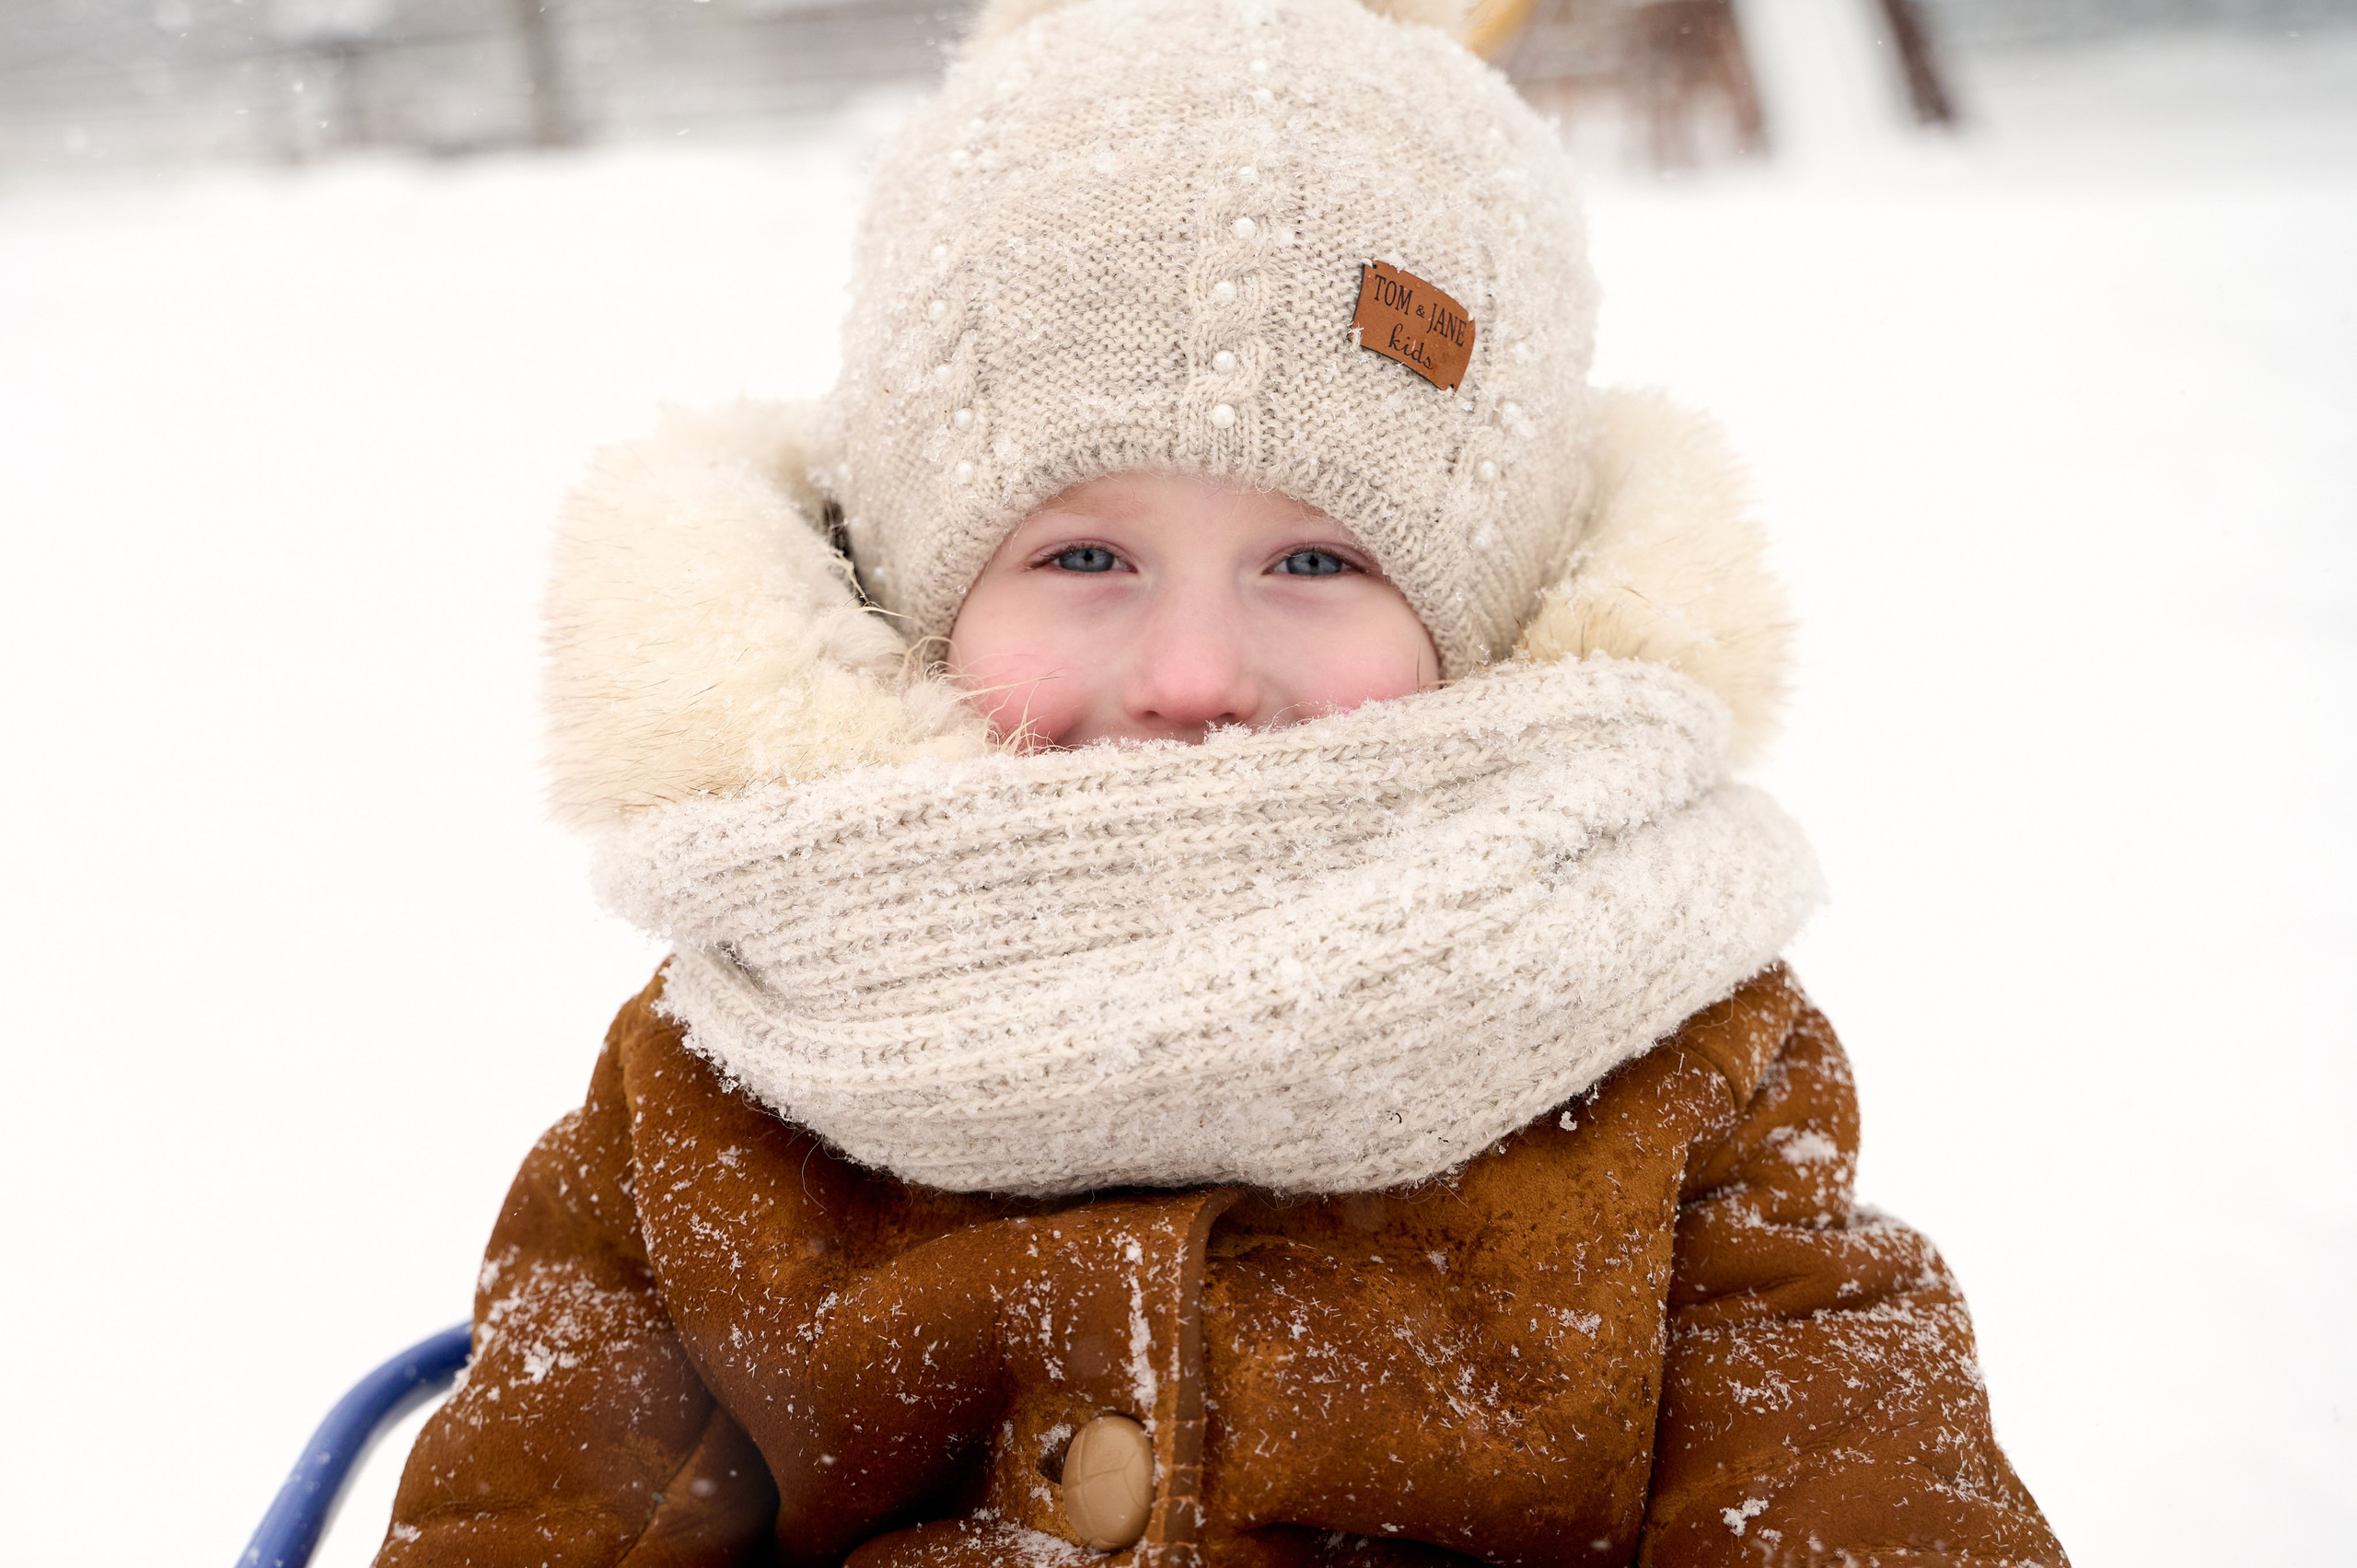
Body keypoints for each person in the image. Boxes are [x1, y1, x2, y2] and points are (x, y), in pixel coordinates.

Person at [377, 0, 2068, 1562]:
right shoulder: (728, 1078)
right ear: (907, 592)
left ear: (1484, 619)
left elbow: (1851, 1488)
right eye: (1086, 555)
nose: (1194, 677)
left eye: (1317, 563)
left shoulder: (1672, 1052)